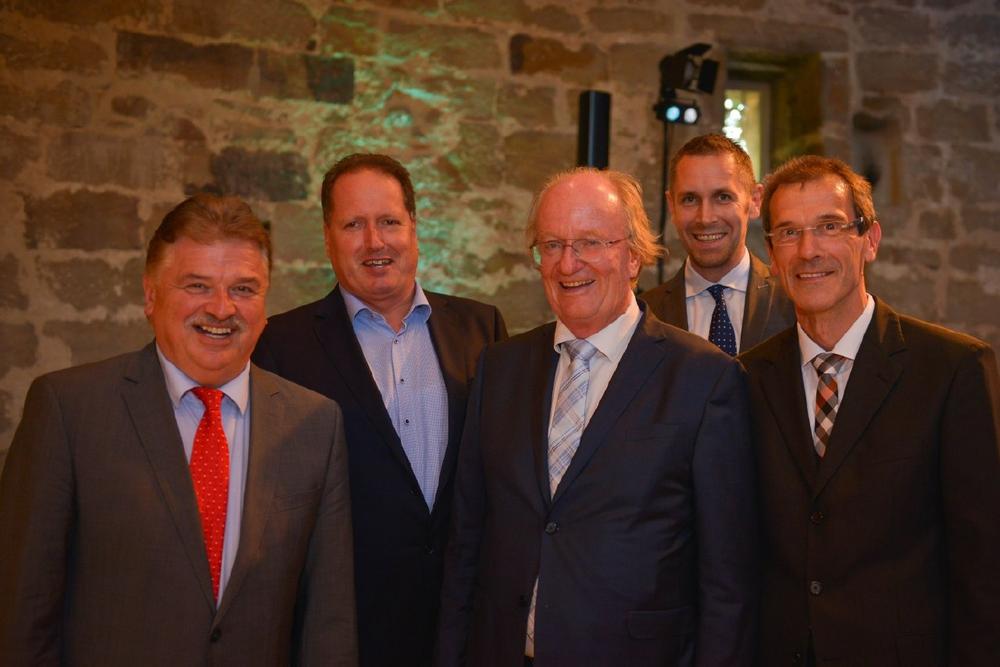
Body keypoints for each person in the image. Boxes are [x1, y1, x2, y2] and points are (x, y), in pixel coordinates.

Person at [0, 194, 357, 666]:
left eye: (244, 289)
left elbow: (329, 624)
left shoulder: (314, 424)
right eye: (197, 285)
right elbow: (22, 613)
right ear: (151, 295)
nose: (222, 308)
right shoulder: (69, 411)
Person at [435, 167, 758, 667]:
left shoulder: (704, 379)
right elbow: (467, 541)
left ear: (633, 256)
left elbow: (727, 580)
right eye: (552, 245)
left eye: (589, 242)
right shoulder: (500, 368)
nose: (568, 263)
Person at [741, 155, 1000, 666]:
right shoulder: (745, 379)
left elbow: (985, 566)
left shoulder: (952, 370)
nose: (809, 250)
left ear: (871, 240)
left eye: (830, 226)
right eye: (789, 232)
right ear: (771, 252)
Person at [253, 153, 507, 667]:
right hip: (347, 626)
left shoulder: (482, 329)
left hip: (462, 623)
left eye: (389, 221)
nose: (375, 242)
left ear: (414, 227)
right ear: (328, 237)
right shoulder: (281, 345)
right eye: (354, 225)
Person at [641, 133, 793, 354]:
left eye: (723, 197)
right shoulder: (644, 317)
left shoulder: (794, 302)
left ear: (754, 201)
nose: (705, 218)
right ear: (672, 206)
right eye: (690, 199)